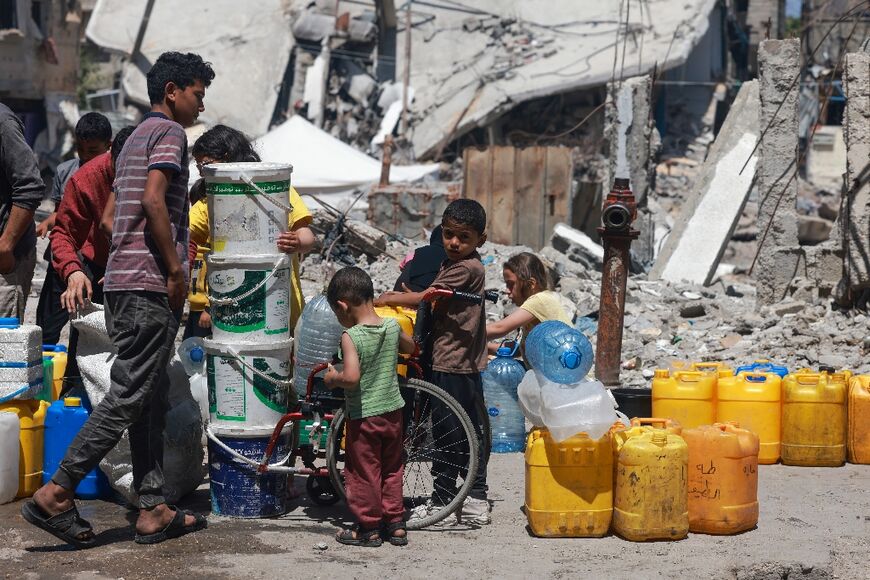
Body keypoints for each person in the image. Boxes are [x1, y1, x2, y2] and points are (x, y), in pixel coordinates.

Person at [22, 51, 214, 548]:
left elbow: (110, 221)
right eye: (197, 93)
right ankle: (57, 492)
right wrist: (174, 270)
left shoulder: (131, 141)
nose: (201, 105)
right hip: (150, 283)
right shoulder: (169, 134)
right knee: (130, 392)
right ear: (172, 91)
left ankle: (152, 507)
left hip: (123, 283)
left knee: (146, 395)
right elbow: (153, 201)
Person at [375, 199, 491, 525]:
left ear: (480, 239)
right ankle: (461, 498)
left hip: (453, 360)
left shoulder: (470, 268)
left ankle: (456, 500)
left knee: (454, 433)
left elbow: (428, 295)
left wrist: (390, 297)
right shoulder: (454, 263)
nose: (454, 243)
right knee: (460, 431)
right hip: (451, 356)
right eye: (449, 234)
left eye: (463, 237)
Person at [186, 124, 315, 339]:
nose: (202, 171)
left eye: (206, 164)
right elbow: (185, 233)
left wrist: (297, 242)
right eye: (199, 166)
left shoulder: (273, 189)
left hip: (278, 300)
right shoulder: (208, 202)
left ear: (227, 158)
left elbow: (307, 235)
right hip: (233, 308)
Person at [323, 266, 415, 547]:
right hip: (393, 413)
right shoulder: (391, 325)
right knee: (391, 468)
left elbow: (351, 378)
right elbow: (410, 348)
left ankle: (369, 528)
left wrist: (332, 377)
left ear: (342, 306)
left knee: (364, 472)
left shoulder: (351, 336)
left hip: (364, 417)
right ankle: (396, 524)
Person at [48, 126, 136, 392]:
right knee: (86, 349)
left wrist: (128, 264)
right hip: (95, 268)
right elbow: (62, 233)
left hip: (140, 269)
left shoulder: (159, 175)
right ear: (112, 156)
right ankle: (74, 399)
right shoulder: (85, 179)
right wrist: (73, 272)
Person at [37, 112, 113, 348]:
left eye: (92, 150)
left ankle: (73, 376)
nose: (84, 156)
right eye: (81, 149)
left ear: (108, 147)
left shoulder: (113, 174)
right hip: (67, 258)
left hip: (95, 262)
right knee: (47, 324)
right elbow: (65, 217)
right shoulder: (66, 171)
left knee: (87, 329)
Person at [0, 102, 44, 319]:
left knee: (3, 345)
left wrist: (6, 245)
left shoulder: (3, 124)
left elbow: (30, 187)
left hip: (5, 265)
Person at [485, 252, 572, 357]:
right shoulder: (533, 311)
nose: (506, 290)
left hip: (568, 371)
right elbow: (518, 350)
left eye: (511, 284)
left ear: (531, 284)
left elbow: (500, 328)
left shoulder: (539, 301)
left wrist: (466, 335)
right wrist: (485, 348)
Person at [391, 225, 446, 293]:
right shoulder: (449, 259)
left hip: (397, 291)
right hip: (419, 298)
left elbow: (402, 267)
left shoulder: (417, 252)